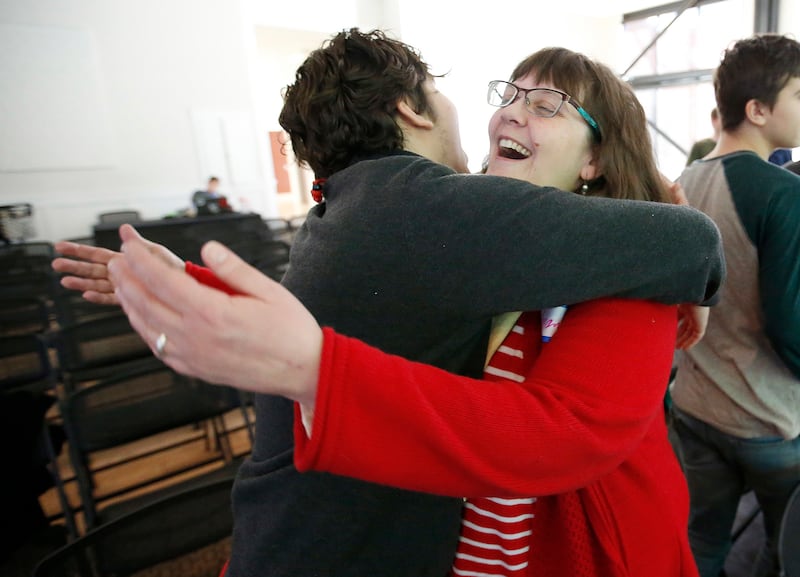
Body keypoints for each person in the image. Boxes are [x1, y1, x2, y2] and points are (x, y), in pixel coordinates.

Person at [55, 29, 724, 577]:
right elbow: (352, 314)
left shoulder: (624, 268)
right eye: (510, 94)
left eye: (547, 104)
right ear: (412, 110)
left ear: (595, 160)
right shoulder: (455, 222)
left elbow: (555, 433)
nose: (511, 110)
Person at [669, 33, 800, 577]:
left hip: (696, 404)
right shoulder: (782, 193)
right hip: (768, 421)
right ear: (758, 109)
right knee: (783, 548)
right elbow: (790, 326)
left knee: (701, 541)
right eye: (799, 94)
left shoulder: (679, 183)